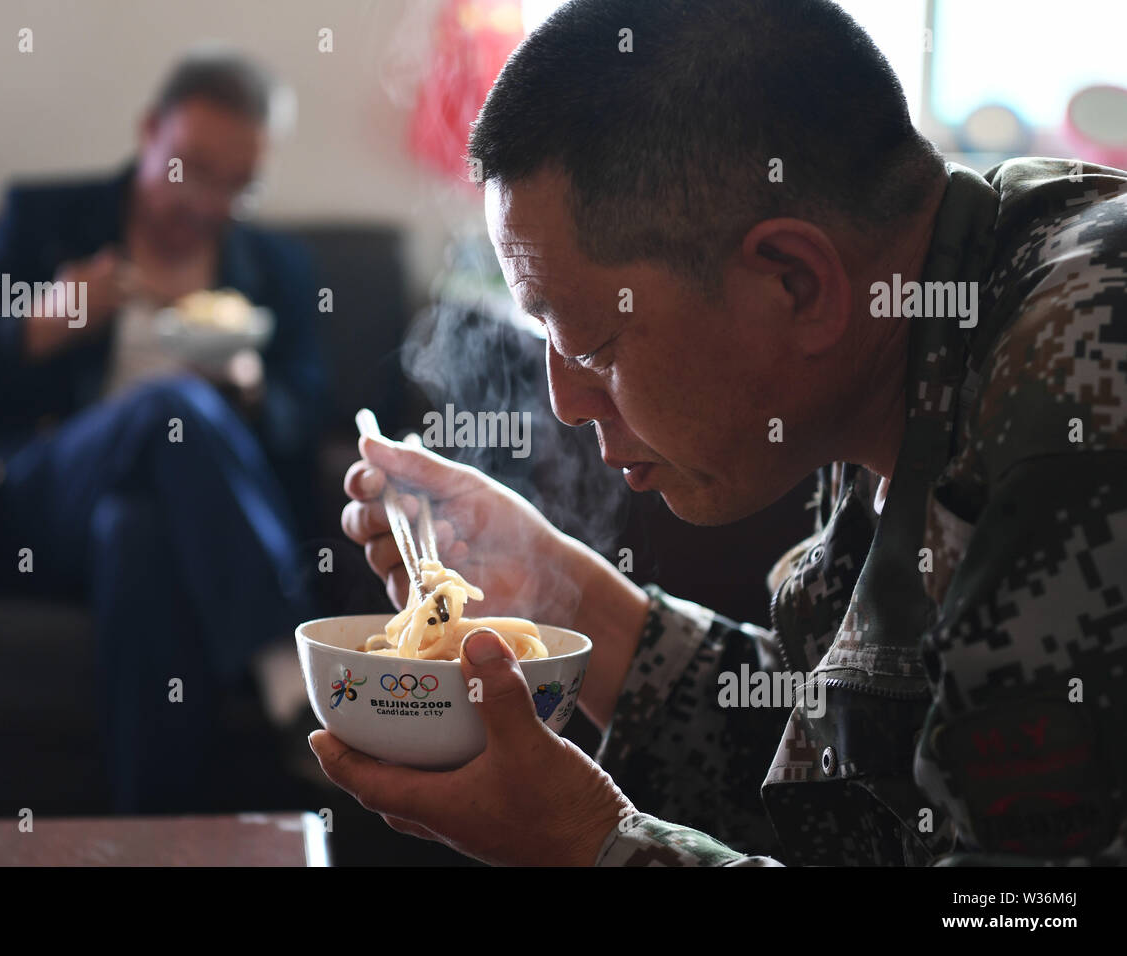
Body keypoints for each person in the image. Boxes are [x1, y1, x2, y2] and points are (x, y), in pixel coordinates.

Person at [316, 0, 1127, 865]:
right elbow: (855, 769)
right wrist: (555, 585)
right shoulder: (917, 313)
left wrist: (594, 848)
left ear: (795, 285)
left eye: (593, 343)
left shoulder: (1078, 399)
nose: (566, 401)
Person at [0, 48, 327, 812]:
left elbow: (311, 418)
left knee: (140, 531)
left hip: (171, 524)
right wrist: (48, 319)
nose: (208, 203)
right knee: (166, 407)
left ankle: (154, 840)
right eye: (192, 169)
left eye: (239, 185)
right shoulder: (48, 219)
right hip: (33, 497)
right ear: (147, 133)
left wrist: (255, 393)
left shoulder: (277, 269)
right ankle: (286, 667)